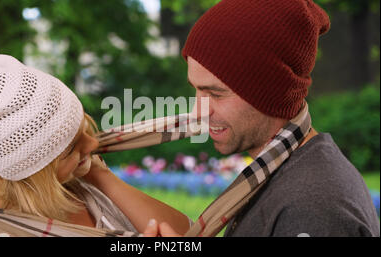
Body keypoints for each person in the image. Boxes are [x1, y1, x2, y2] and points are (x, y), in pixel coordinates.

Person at [88, 0, 380, 237]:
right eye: (196, 90)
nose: (199, 111)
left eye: (215, 93)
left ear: (270, 93)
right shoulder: (283, 174)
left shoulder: (312, 209)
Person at [0, 54, 191, 237]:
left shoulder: (82, 190)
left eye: (84, 127)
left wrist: (101, 175)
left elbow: (187, 234)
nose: (93, 142)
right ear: (36, 169)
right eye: (70, 148)